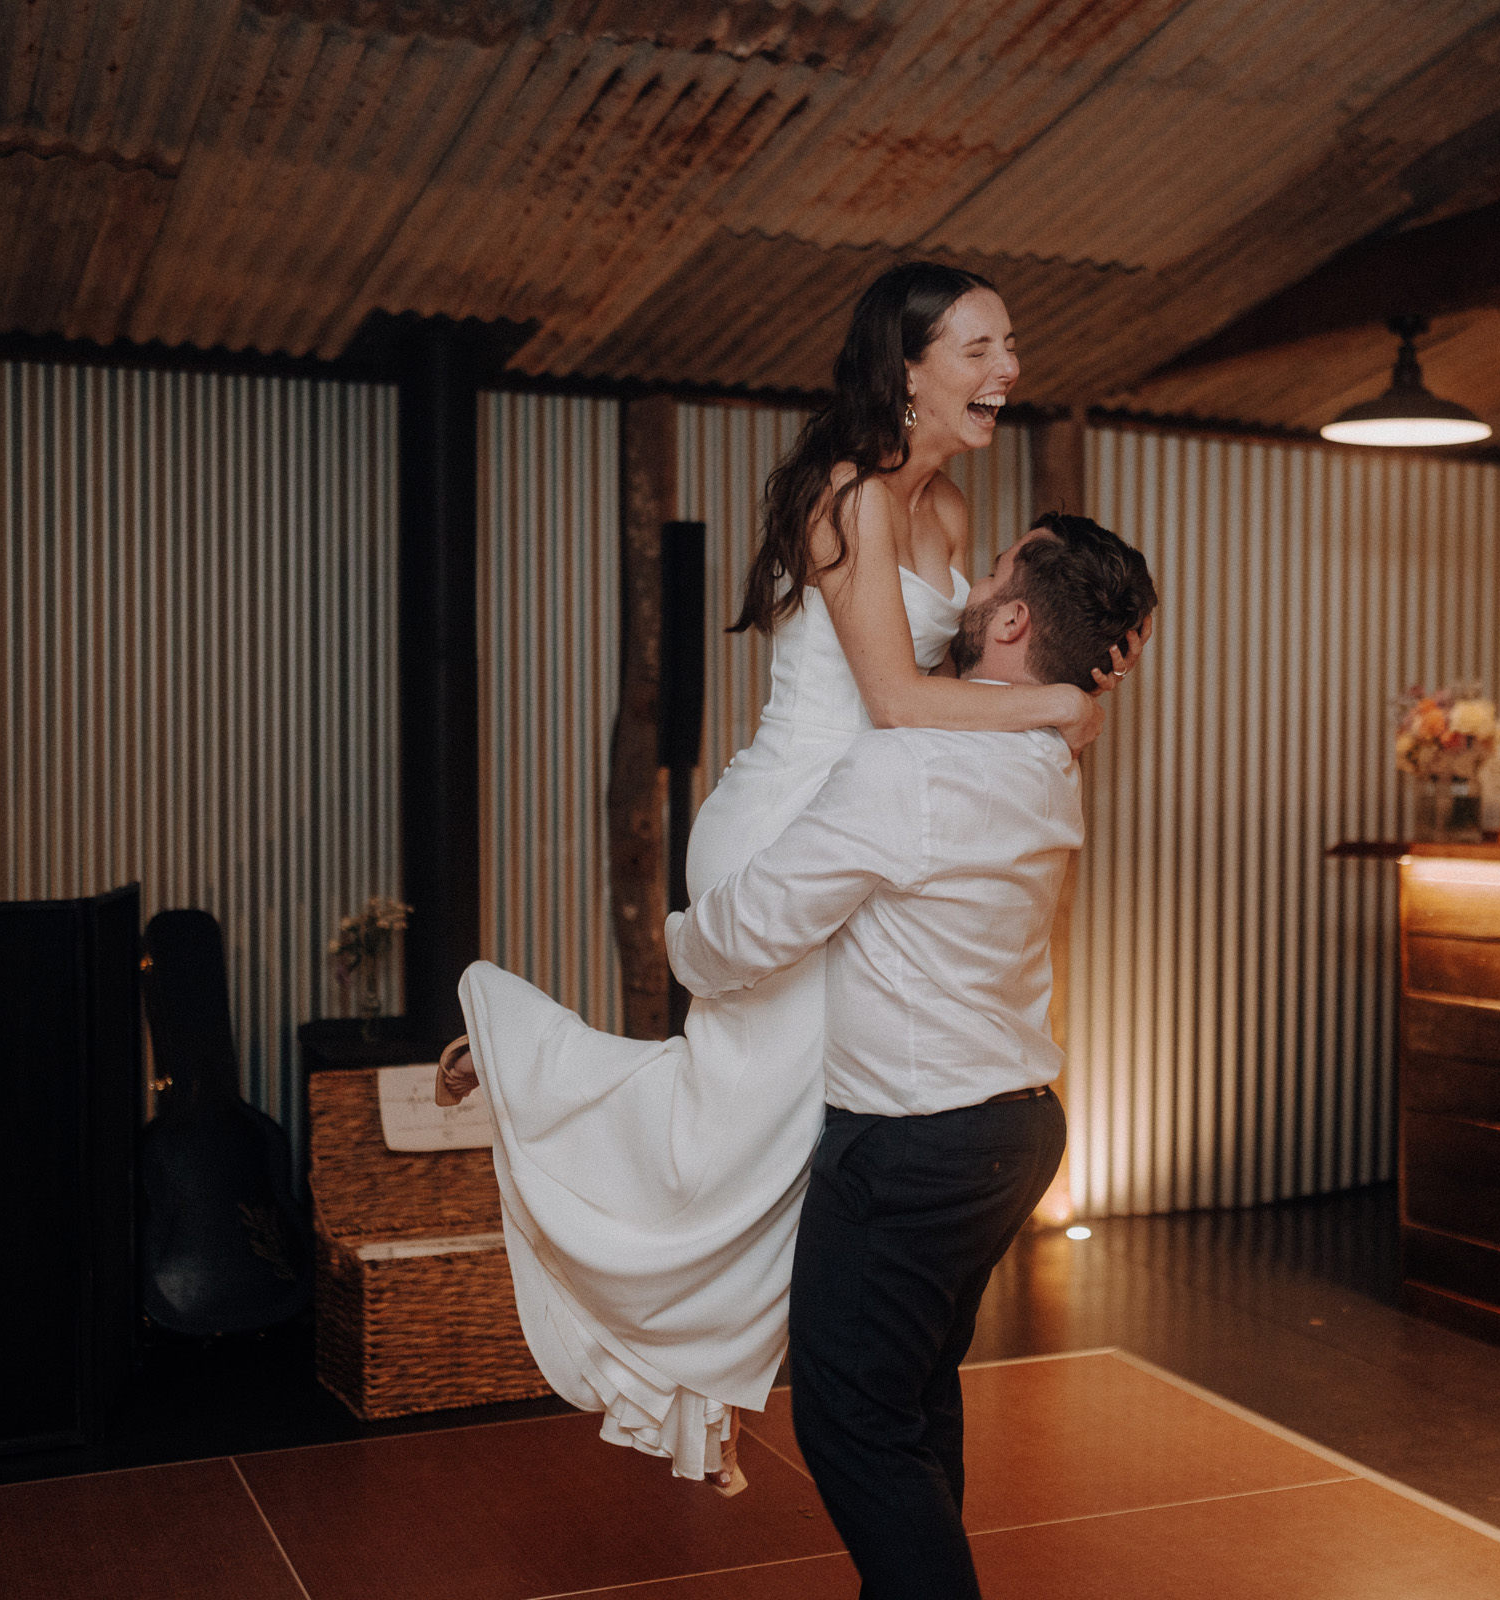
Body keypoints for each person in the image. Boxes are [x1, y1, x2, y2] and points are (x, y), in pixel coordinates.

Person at [437, 262, 1145, 1491]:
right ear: (909, 366)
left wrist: (1055, 699)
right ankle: (526, 1075)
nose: (1007, 370)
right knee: (737, 1128)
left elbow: (938, 708)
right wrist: (1058, 702)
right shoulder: (847, 496)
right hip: (785, 821)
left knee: (792, 1136)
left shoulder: (957, 514)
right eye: (979, 348)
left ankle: (815, 1361)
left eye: (1010, 345)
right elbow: (892, 700)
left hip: (867, 816)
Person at [666, 514, 1159, 1598]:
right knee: (918, 1396)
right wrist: (1076, 687)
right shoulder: (1046, 754)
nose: (968, 587)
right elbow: (978, 679)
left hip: (912, 1145)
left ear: (1015, 619)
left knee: (853, 1426)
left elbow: (758, 928)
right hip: (1016, 1131)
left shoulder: (914, 766)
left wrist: (679, 938)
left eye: (991, 575)